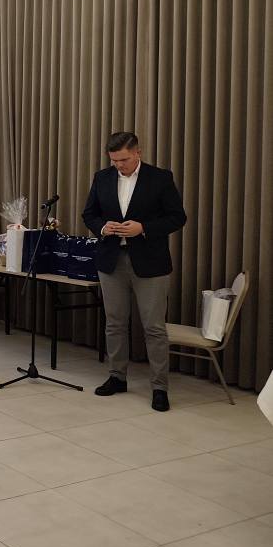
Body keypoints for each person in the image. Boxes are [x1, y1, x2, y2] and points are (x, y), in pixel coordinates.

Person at [82, 131, 187, 412]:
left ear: (138, 153)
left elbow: (178, 217)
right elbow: (89, 214)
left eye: (124, 160)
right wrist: (103, 227)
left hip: (150, 262)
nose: (119, 165)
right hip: (111, 260)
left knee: (154, 327)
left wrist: (144, 228)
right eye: (114, 160)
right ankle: (117, 377)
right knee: (115, 323)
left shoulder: (160, 178)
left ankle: (159, 387)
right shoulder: (102, 177)